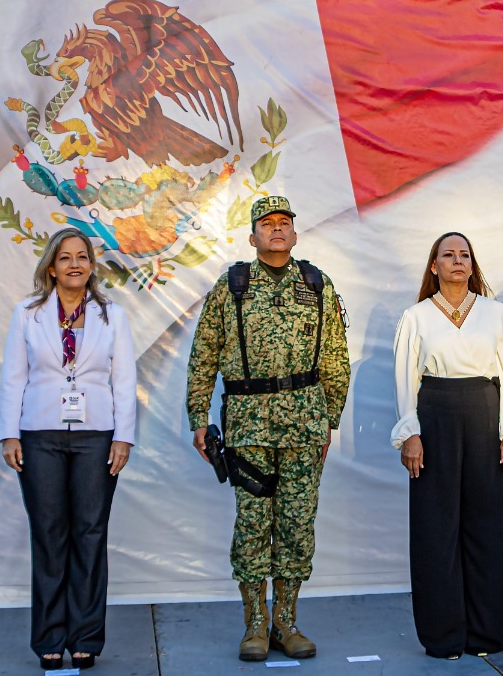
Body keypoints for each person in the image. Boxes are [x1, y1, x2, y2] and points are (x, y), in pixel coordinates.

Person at [187, 195, 350, 664]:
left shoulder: (317, 284)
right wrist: (200, 418)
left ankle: (287, 623)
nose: (277, 229)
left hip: (304, 425)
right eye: (267, 223)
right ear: (253, 235)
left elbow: (336, 359)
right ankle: (255, 625)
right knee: (253, 526)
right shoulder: (232, 285)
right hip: (249, 426)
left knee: (297, 527)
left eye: (285, 223)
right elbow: (204, 356)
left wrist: (328, 421)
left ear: (295, 234)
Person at [0, 228, 137, 670]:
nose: (74, 264)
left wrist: (123, 436)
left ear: (92, 266)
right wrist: (9, 433)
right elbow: (13, 377)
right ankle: (49, 640)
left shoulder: (112, 315)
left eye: (82, 257)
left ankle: (86, 638)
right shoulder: (28, 313)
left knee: (91, 534)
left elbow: (125, 381)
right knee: (49, 535)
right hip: (39, 435)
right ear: (51, 267)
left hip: (97, 435)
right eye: (64, 258)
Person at [392, 231, 503, 660]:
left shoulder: (495, 313)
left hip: (486, 416)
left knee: (487, 528)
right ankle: (444, 636)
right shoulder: (415, 316)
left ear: (473, 265)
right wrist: (410, 433)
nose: (456, 261)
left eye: (463, 255)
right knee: (436, 530)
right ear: (434, 266)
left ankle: (486, 635)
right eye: (447, 255)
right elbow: (404, 381)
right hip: (434, 417)